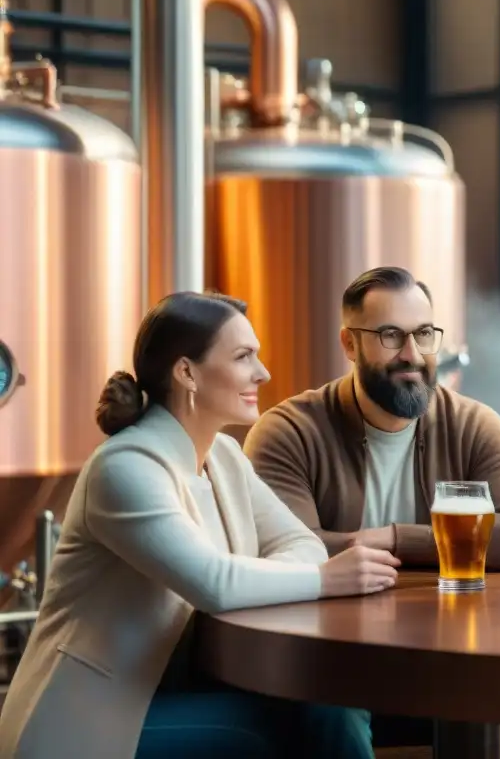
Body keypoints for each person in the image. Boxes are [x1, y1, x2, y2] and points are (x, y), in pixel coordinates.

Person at [0, 292, 399, 759]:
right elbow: (214, 584)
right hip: (86, 721)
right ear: (186, 372)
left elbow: (298, 541)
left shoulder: (224, 456)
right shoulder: (126, 467)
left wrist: (281, 573)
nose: (263, 373)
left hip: (171, 690)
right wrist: (324, 579)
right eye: (243, 356)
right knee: (281, 730)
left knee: (332, 707)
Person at [244, 266, 500, 571]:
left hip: (450, 617)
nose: (411, 354)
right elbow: (283, 551)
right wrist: (362, 544)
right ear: (350, 344)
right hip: (329, 619)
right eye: (391, 335)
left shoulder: (474, 426)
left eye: (424, 334)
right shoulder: (288, 432)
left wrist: (393, 538)